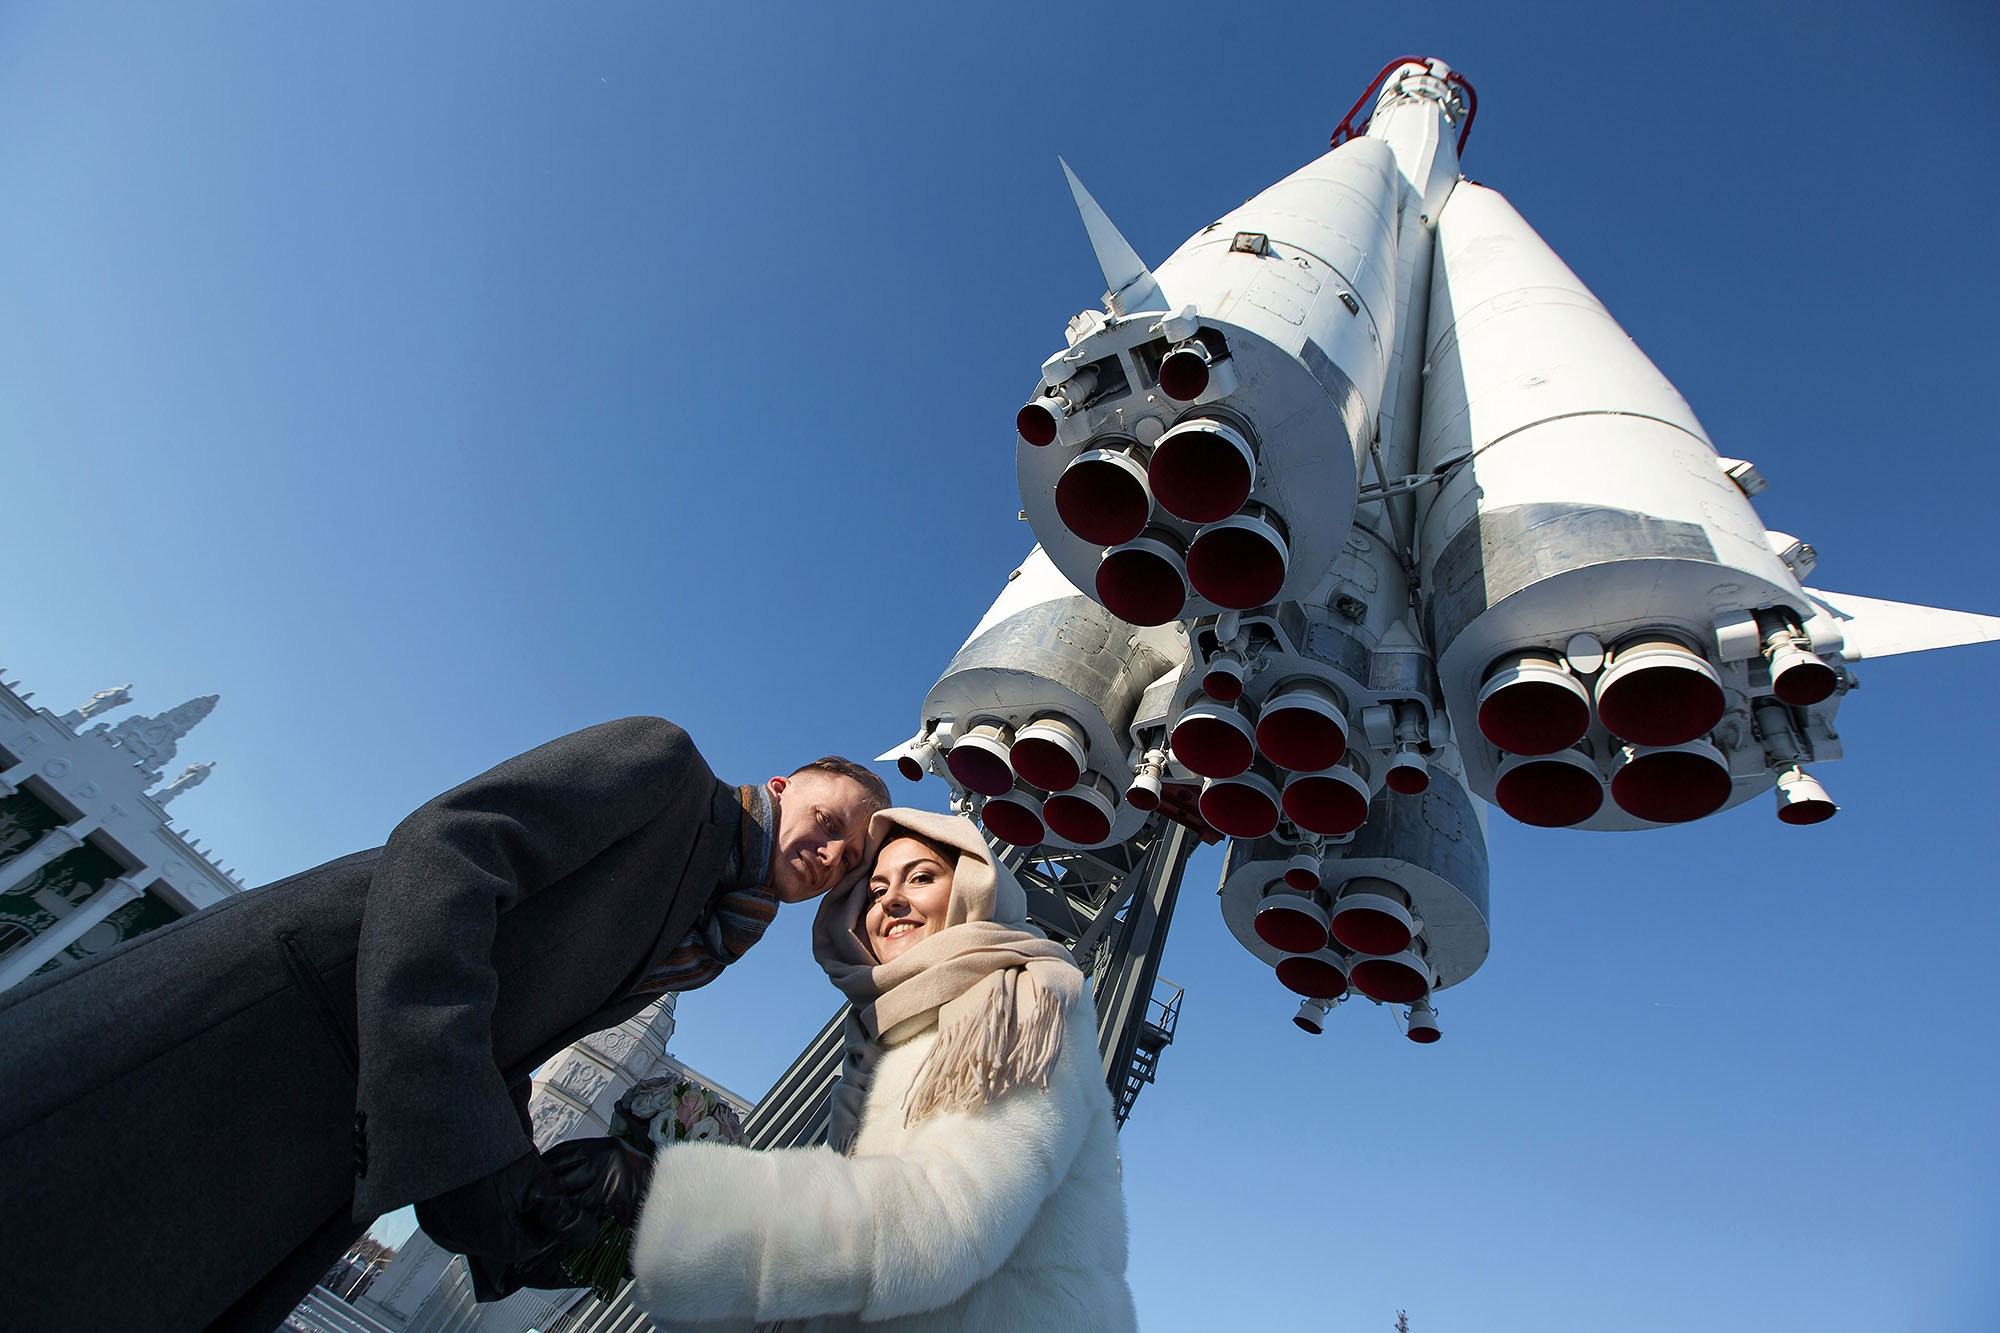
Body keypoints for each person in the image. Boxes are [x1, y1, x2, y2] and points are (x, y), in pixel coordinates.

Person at [0, 716, 887, 1332]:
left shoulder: (711, 927)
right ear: (782, 785)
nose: (828, 854)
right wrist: (464, 1132)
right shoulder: (668, 770)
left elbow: (506, 1024)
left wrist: (524, 1204)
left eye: (847, 861)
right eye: (828, 821)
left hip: (327, 1134)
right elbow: (447, 852)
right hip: (275, 1042)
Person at [625, 807, 1137, 1330]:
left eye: (921, 877)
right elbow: (850, 1276)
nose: (891, 899)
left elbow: (940, 1223)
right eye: (874, 891)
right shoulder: (884, 1036)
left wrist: (683, 1214)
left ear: (971, 889)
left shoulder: (1018, 1005)